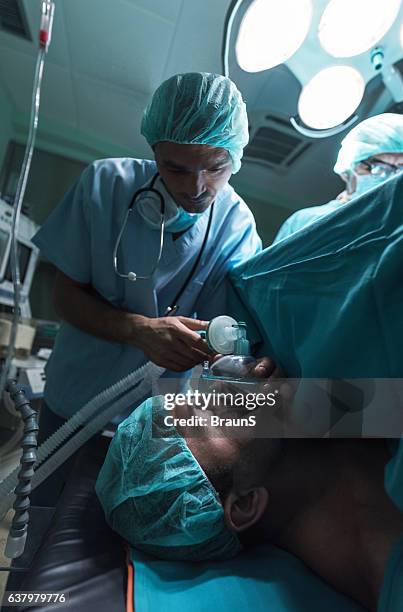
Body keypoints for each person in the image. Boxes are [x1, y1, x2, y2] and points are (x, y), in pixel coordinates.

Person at [31, 72, 261, 503]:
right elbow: (65, 297)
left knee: (106, 533)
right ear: (154, 151)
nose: (196, 188)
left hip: (150, 420)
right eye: (176, 168)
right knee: (41, 515)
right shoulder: (104, 186)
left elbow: (228, 337)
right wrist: (138, 330)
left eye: (216, 168)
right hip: (73, 399)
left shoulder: (237, 226)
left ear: (237, 156)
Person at [96, 393, 403, 612]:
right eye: (210, 418)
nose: (223, 392)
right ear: (244, 505)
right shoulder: (388, 562)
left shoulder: (319, 410)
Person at [274, 113, 403, 243]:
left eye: (401, 171)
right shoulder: (306, 221)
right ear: (349, 169)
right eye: (379, 168)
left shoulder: (398, 231)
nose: (392, 178)